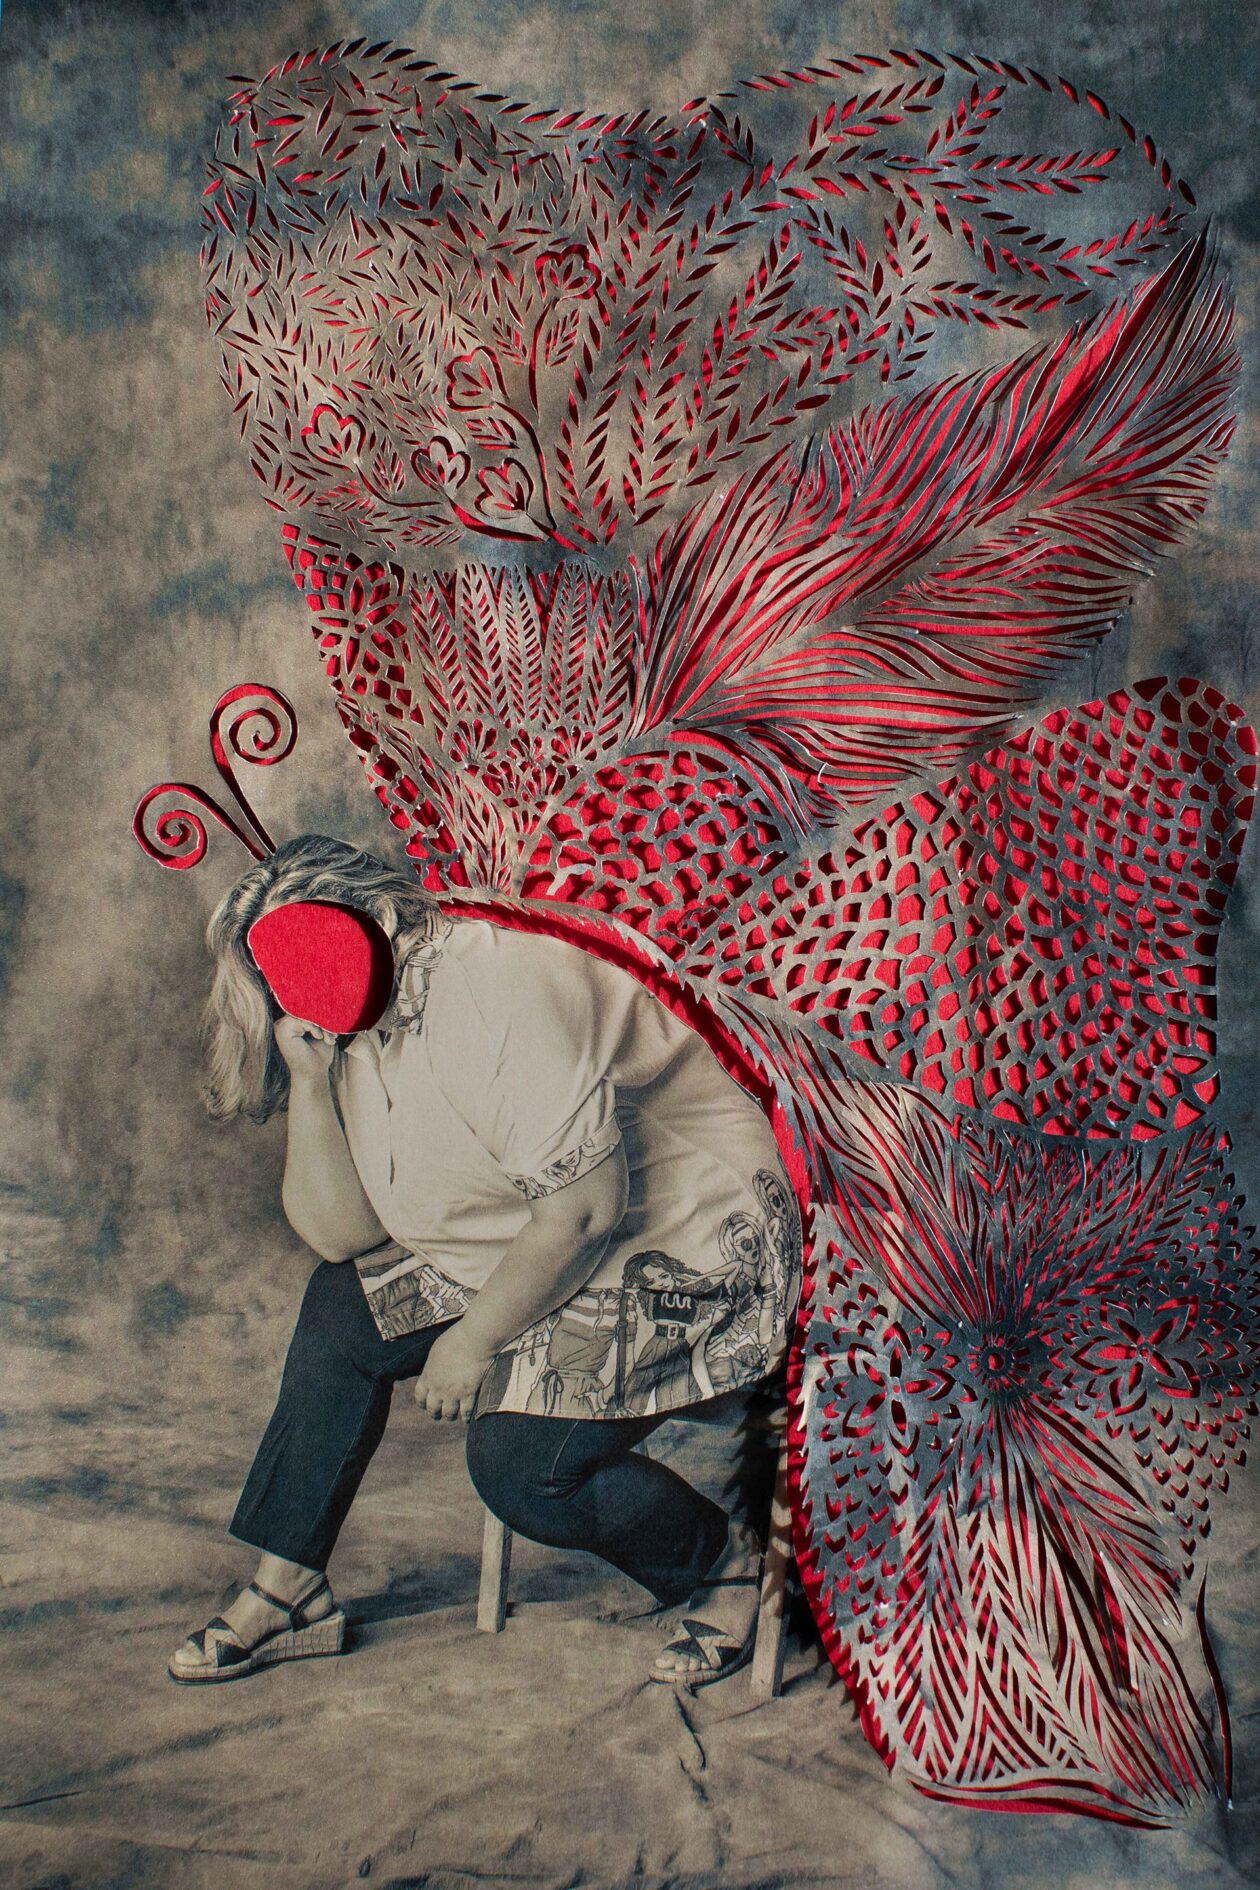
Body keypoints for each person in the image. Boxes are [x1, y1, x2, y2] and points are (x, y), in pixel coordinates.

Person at [169, 835, 801, 1688]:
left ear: (372, 913)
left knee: (521, 1465)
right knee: (344, 1308)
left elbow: (584, 1211)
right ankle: (290, 1591)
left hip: (686, 1237)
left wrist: (470, 1343)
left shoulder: (494, 985)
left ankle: (726, 1562)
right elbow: (343, 1236)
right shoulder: (358, 1006)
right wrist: (312, 1085)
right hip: (526, 1222)